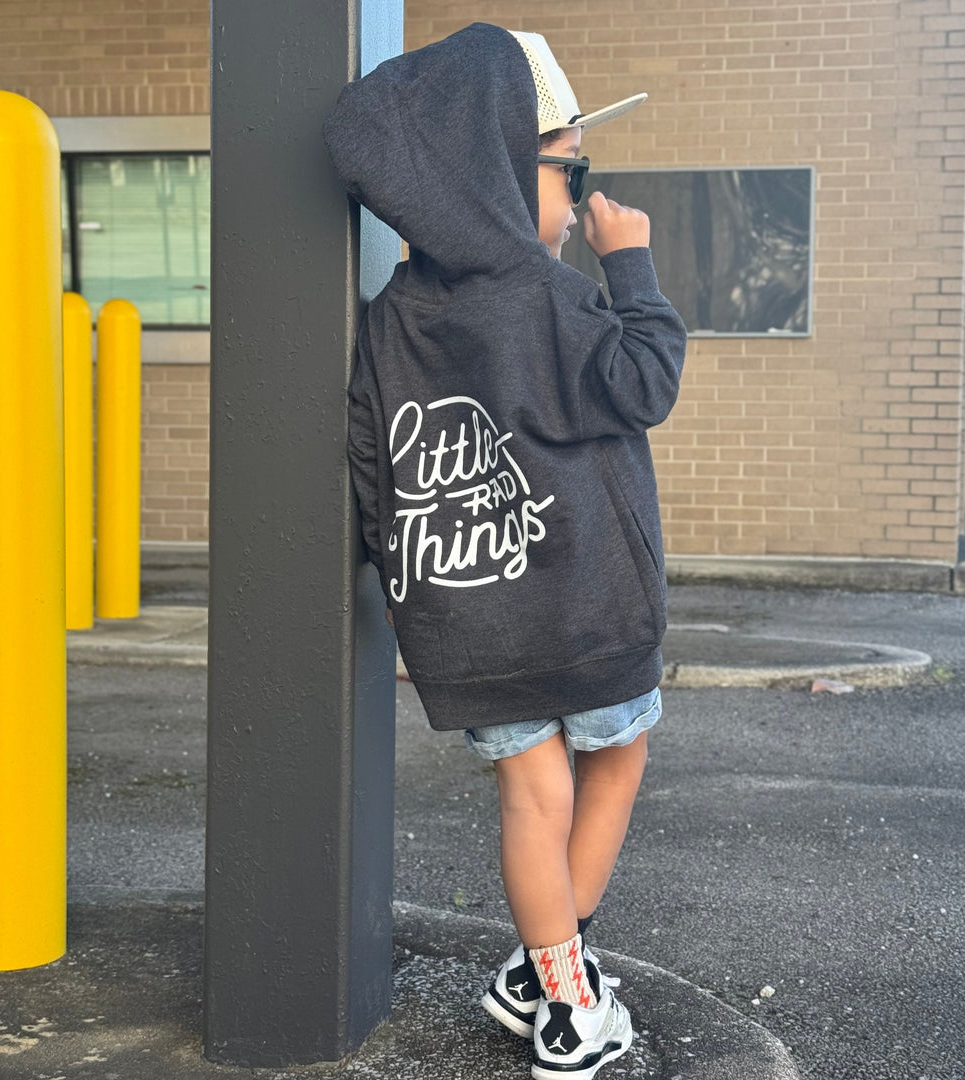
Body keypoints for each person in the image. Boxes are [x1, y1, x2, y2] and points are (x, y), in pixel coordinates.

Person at [322, 22, 687, 1080]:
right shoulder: (554, 294)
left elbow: (370, 460)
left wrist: (412, 590)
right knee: (615, 757)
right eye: (573, 170)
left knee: (532, 794)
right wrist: (631, 263)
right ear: (498, 167)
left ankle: (544, 967)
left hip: (467, 611)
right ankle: (568, 1004)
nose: (580, 198)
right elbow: (646, 381)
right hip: (588, 603)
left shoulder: (392, 317)